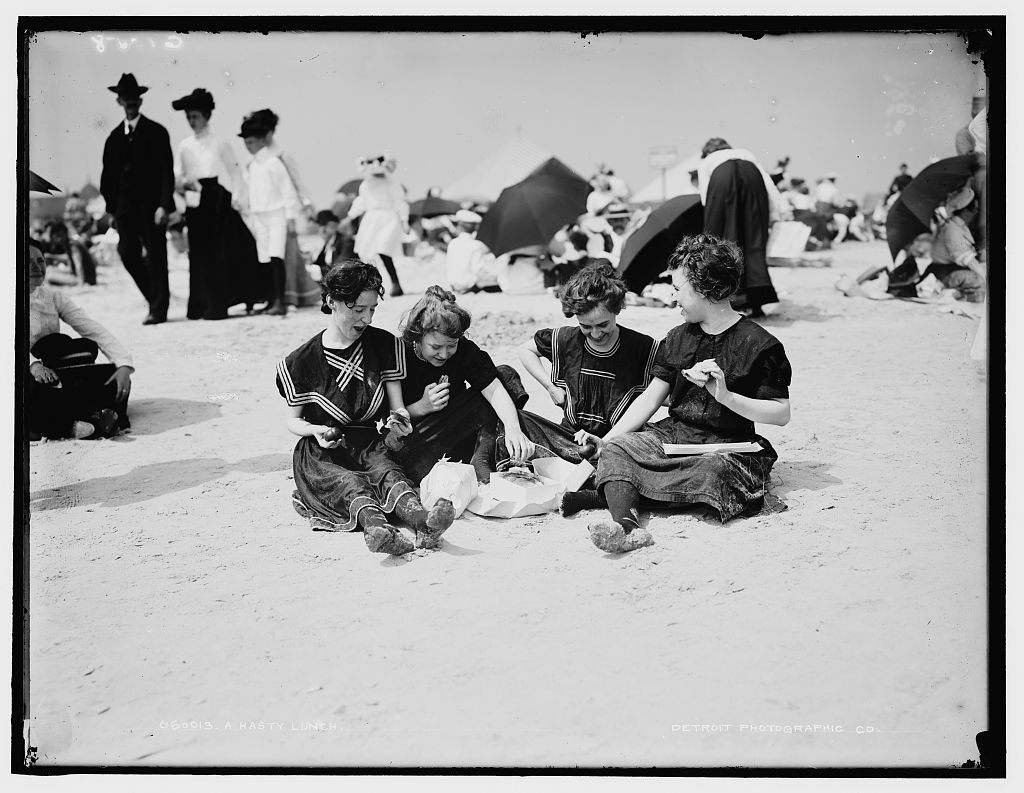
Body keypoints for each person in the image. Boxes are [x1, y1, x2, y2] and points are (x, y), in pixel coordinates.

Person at [575, 235, 792, 553]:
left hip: (727, 448)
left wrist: (727, 396)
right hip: (674, 438)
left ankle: (616, 490)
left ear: (706, 287)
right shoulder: (677, 339)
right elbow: (650, 398)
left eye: (677, 288)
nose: (672, 297)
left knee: (714, 473)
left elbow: (781, 414)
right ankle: (626, 525)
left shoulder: (760, 344)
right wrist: (606, 441)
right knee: (619, 449)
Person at [276, 261, 455, 556]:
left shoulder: (384, 346)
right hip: (322, 452)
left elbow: (397, 409)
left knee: (388, 472)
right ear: (331, 301)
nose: (365, 318)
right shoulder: (300, 362)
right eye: (357, 309)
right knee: (348, 483)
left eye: (371, 309)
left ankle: (424, 525)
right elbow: (293, 422)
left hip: (370, 443)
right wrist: (316, 430)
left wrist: (399, 420)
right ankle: (379, 531)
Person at [515, 263, 660, 474]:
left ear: (617, 310)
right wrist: (550, 387)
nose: (595, 334)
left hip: (619, 442)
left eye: (603, 325)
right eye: (586, 327)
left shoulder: (641, 347)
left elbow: (663, 393)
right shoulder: (566, 339)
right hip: (570, 438)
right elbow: (525, 351)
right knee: (517, 420)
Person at [395, 286, 535, 483]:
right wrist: (422, 407)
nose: (444, 354)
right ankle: (484, 453)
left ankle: (482, 456)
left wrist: (513, 428)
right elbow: (388, 416)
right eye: (435, 347)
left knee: (505, 376)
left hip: (461, 429)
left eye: (451, 345)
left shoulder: (464, 350)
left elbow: (492, 387)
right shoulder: (399, 354)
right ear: (417, 335)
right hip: (422, 442)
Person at [28, 241, 134, 440]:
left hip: (55, 374)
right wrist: (33, 366)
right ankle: (80, 423)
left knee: (111, 377)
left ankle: (83, 421)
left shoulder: (53, 297)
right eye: (27, 261)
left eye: (40, 260)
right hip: (22, 375)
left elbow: (92, 329)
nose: (36, 267)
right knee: (35, 390)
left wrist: (123, 364)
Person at [171, 88, 260, 320]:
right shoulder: (184, 145)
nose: (192, 122)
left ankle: (218, 305)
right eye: (189, 117)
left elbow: (235, 172)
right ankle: (200, 305)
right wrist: (183, 185)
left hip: (217, 201)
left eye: (196, 117)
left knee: (220, 253)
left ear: (207, 116)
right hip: (194, 201)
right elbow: (177, 175)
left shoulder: (219, 143)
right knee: (198, 254)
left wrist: (239, 201)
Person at [99, 73, 175, 325]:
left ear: (140, 100)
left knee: (156, 255)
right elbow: (107, 177)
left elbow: (167, 172)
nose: (130, 102)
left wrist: (164, 205)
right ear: (119, 101)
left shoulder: (157, 132)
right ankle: (155, 298)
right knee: (127, 252)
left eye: (134, 98)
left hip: (152, 207)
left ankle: (158, 309)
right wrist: (111, 210)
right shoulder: (113, 138)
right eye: (126, 98)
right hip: (124, 209)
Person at [697, 138, 783, 316]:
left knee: (722, 243)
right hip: (753, 178)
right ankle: (757, 300)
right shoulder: (746, 154)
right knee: (754, 242)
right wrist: (775, 215)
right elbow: (769, 186)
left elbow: (707, 197)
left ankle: (731, 297)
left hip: (722, 179)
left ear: (706, 152)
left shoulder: (707, 161)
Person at [248, 108, 321, 309]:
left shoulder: (281, 156)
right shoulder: (256, 161)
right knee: (274, 255)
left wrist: (306, 204)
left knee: (286, 254)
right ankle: (277, 296)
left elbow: (296, 183)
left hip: (286, 210)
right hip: (265, 211)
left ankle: (290, 296)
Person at [239, 113, 298, 316]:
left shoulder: (273, 163)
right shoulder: (252, 165)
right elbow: (249, 190)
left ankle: (280, 301)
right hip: (259, 216)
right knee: (263, 258)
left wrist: (290, 218)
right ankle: (270, 299)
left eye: (251, 141)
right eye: (246, 142)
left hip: (277, 215)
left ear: (263, 140)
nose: (248, 145)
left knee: (275, 257)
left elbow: (288, 191)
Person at [346, 152, 407, 297]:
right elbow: (361, 203)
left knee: (383, 248)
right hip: (371, 219)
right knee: (367, 252)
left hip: (388, 217)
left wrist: (404, 220)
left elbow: (399, 202)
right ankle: (372, 284)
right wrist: (349, 217)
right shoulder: (365, 185)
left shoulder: (391, 183)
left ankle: (395, 282)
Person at [836, 232, 933, 300]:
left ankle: (857, 284)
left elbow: (905, 281)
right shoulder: (909, 261)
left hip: (895, 286)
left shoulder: (910, 262)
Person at [929, 186, 985, 303]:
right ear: (965, 211)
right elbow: (966, 258)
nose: (976, 212)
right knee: (979, 281)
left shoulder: (958, 225)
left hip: (947, 270)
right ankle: (951, 293)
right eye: (974, 208)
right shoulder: (952, 229)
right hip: (944, 273)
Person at [444, 209, 499, 294]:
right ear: (475, 227)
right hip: (468, 286)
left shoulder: (452, 243)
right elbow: (478, 270)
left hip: (453, 286)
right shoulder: (476, 245)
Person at [312, 210, 350, 276]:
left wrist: (316, 270)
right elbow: (319, 263)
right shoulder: (328, 244)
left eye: (324, 225)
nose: (321, 229)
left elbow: (340, 269)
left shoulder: (346, 242)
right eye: (320, 225)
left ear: (334, 225)